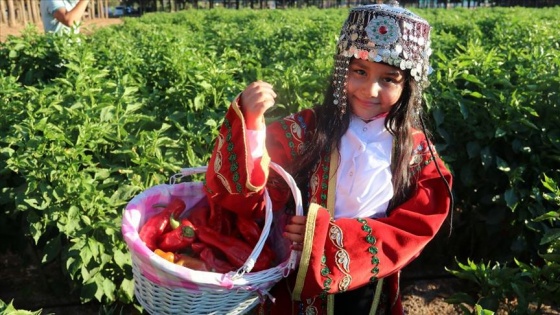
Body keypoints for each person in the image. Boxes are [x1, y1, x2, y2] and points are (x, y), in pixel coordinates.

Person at [203, 2, 453, 314]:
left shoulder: (413, 148)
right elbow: (256, 194)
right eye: (359, 71)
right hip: (299, 276)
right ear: (342, 70)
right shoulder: (309, 128)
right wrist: (251, 123)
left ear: (408, 86)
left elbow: (419, 224)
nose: (370, 89)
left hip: (369, 282)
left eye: (389, 79)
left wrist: (326, 236)